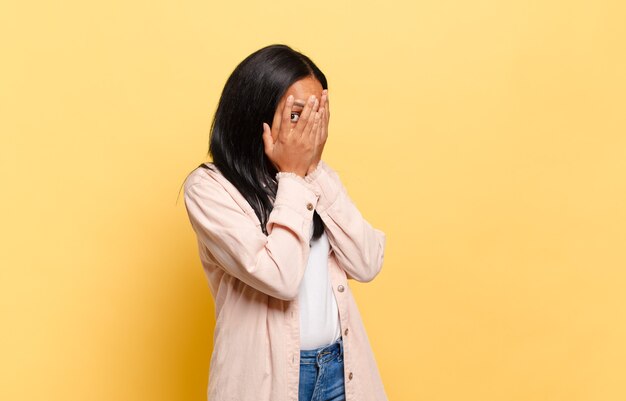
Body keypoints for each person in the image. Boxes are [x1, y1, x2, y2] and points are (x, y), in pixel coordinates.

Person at [182, 44, 388, 401]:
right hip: (267, 383)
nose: (309, 130)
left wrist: (314, 172)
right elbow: (280, 276)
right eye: (297, 114)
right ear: (257, 114)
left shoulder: (314, 180)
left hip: (340, 370)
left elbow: (368, 262)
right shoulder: (209, 189)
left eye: (317, 116)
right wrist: (294, 176)